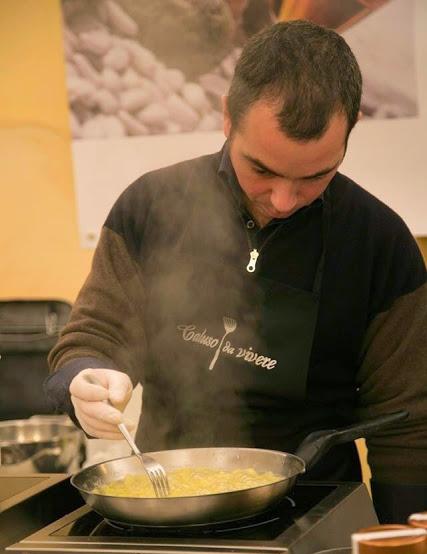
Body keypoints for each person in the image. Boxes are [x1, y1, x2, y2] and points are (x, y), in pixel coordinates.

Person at [45, 20, 427, 523]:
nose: (284, 200)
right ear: (227, 116)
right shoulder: (151, 206)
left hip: (318, 520)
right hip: (167, 507)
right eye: (263, 170)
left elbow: (408, 426)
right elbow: (91, 337)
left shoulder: (378, 242)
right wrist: (83, 380)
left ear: (352, 127)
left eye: (316, 176)